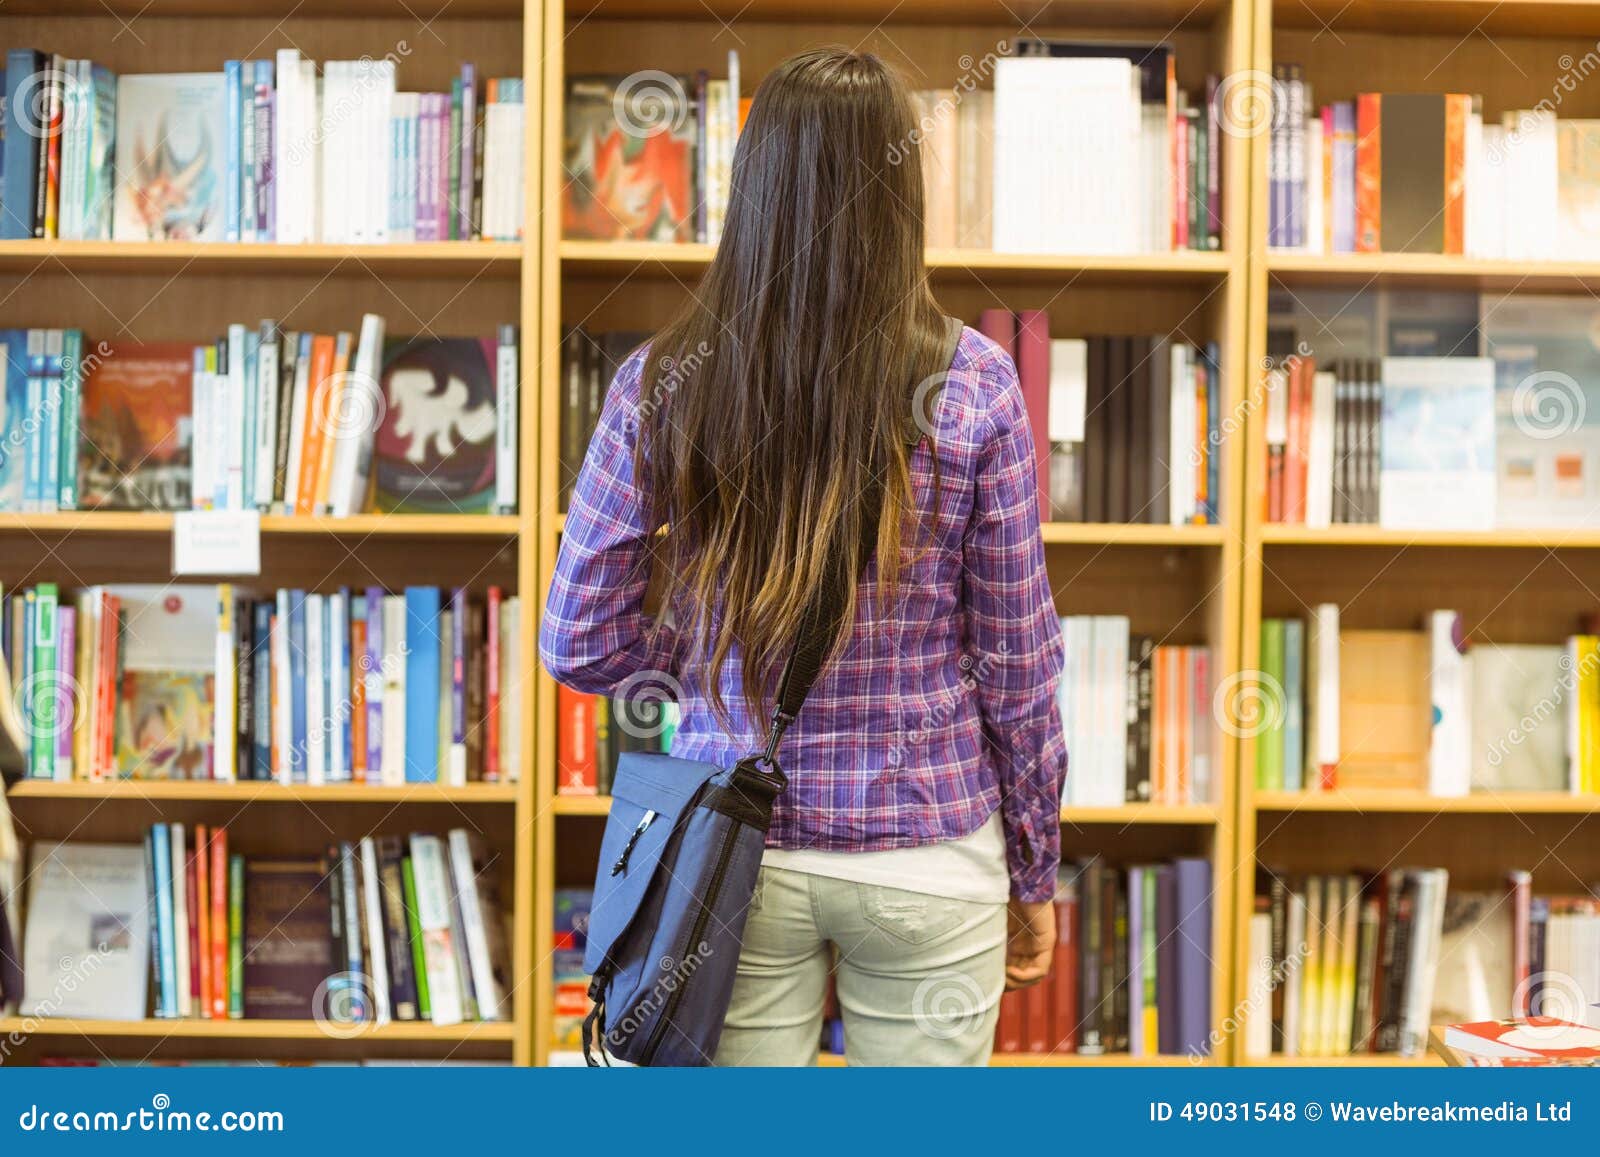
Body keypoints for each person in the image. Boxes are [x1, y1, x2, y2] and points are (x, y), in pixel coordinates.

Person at [541, 47, 1066, 1067]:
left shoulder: (666, 383)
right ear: (903, 192)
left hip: (732, 849)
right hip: (929, 846)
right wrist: (1034, 868)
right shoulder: (976, 385)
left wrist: (695, 631)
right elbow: (1019, 665)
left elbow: (575, 639)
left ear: (756, 187)